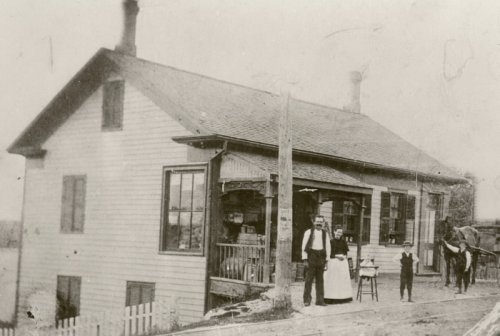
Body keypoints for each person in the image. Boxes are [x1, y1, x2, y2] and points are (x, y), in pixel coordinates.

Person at [302, 215, 331, 307]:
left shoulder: (325, 234)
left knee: (320, 280)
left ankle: (320, 300)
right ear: (314, 222)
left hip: (321, 257)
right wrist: (305, 259)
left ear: (323, 223)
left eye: (321, 222)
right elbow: (304, 246)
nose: (319, 223)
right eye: (317, 221)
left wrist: (327, 260)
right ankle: (307, 300)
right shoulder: (308, 232)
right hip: (311, 256)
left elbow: (328, 247)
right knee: (308, 279)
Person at [324, 225, 353, 304]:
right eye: (338, 232)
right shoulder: (331, 242)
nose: (339, 234)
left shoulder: (344, 242)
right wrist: (337, 256)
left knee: (342, 280)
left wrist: (344, 256)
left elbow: (346, 252)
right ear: (334, 232)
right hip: (333, 262)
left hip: (342, 263)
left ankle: (343, 297)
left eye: (340, 232)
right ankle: (331, 298)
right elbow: (329, 254)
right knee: (333, 280)